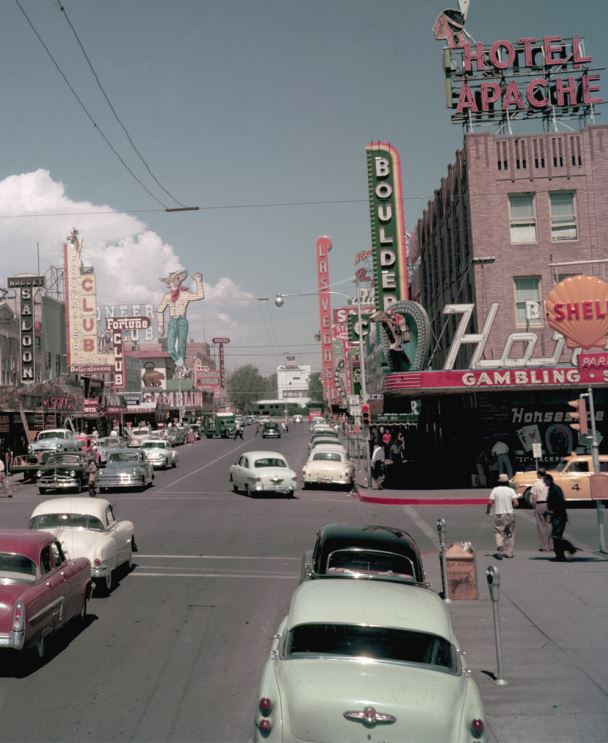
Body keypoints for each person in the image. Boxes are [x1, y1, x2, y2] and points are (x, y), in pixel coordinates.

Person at [156, 270, 205, 378]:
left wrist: (198, 281)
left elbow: (200, 295)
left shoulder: (184, 294)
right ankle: (182, 366)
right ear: (169, 283)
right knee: (170, 348)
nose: (175, 281)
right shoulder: (167, 297)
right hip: (172, 321)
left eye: (177, 279)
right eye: (173, 280)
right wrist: (160, 325)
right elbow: (159, 310)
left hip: (182, 320)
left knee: (181, 346)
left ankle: (181, 370)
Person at [544, 473, 577, 561]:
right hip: (556, 515)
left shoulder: (555, 489)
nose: (544, 483)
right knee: (556, 536)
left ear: (549, 480)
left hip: (559, 516)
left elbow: (560, 502)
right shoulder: (552, 489)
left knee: (556, 536)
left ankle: (570, 548)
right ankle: (560, 555)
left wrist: (553, 510)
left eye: (545, 481)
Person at [486, 473, 519, 558]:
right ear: (507, 482)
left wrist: (488, 510)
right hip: (510, 514)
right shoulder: (511, 490)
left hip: (500, 514)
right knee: (510, 533)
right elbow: (516, 503)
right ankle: (509, 553)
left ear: (499, 482)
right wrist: (511, 506)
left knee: (499, 531)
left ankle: (500, 545)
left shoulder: (495, 490)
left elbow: (490, 502)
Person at [529, 468, 552, 551]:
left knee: (541, 526)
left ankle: (544, 546)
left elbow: (534, 496)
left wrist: (534, 507)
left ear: (538, 474)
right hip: (549, 504)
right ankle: (549, 545)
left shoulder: (536, 484)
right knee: (549, 525)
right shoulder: (549, 483)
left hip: (540, 504)